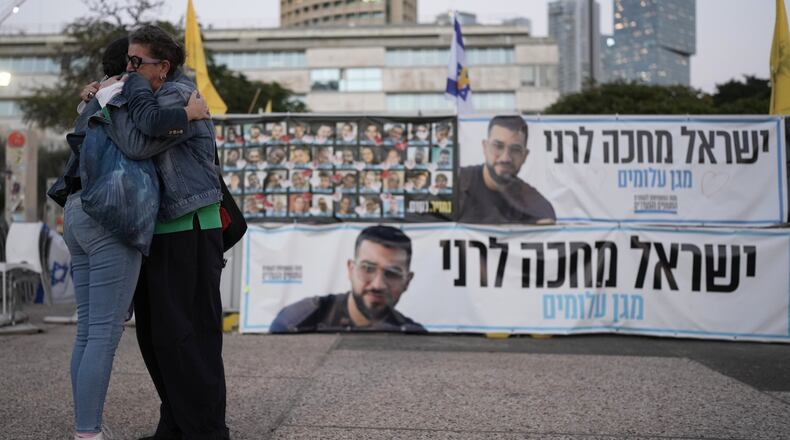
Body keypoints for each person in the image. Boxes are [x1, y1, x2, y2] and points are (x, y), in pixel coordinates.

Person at [50, 36, 210, 440]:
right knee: (103, 331)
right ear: (131, 65)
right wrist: (188, 115)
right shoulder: (121, 92)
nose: (139, 68)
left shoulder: (96, 95)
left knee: (88, 330)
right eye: (135, 60)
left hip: (77, 210)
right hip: (111, 214)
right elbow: (139, 143)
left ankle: (83, 428)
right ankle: (88, 433)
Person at [104, 25, 230, 439]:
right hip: (160, 229)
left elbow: (138, 145)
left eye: (139, 62)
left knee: (190, 336)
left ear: (165, 66)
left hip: (189, 226)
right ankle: (176, 425)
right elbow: (137, 134)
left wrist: (118, 99)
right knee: (159, 337)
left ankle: (205, 430)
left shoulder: (179, 96)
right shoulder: (156, 96)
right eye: (128, 61)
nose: (130, 69)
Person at [270, 226, 425, 333]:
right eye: (368, 268)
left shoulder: (414, 337)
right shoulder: (297, 321)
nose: (378, 285)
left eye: (392, 274)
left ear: (407, 281)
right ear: (351, 269)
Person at [456, 115, 555, 224]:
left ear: (525, 156)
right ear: (485, 147)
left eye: (515, 150)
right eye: (498, 146)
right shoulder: (455, 185)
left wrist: (545, 230)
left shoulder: (536, 205)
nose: (505, 158)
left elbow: (547, 231)